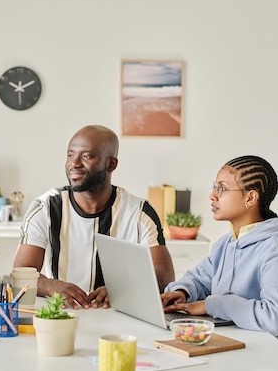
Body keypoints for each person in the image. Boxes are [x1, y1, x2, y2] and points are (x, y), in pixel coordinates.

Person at [160, 155, 278, 371]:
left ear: (251, 197)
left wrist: (213, 305)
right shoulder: (226, 244)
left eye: (222, 189)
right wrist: (182, 291)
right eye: (214, 187)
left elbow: (275, 318)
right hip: (256, 348)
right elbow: (200, 278)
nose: (212, 195)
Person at [13, 125, 175, 309]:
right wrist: (51, 286)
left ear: (111, 164)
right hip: (62, 314)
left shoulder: (140, 212)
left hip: (120, 316)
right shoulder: (45, 208)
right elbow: (21, 274)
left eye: (86, 156)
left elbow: (164, 276)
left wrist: (122, 289)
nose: (74, 163)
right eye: (70, 155)